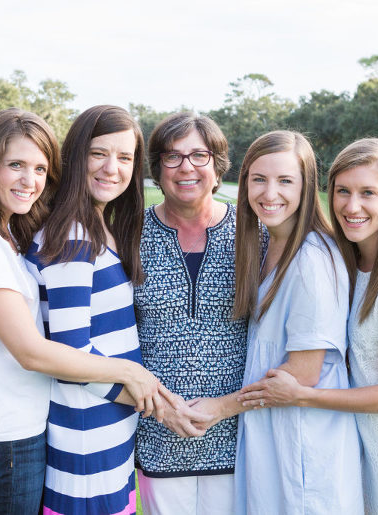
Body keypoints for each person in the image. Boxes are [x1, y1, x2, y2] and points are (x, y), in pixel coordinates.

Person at [0, 108, 164, 514]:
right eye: (15, 165)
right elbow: (34, 351)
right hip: (4, 433)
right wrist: (134, 377)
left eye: (39, 168)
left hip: (20, 427)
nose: (30, 180)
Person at [239, 138, 378, 514]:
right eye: (343, 191)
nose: (351, 205)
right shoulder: (355, 262)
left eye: (368, 193)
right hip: (367, 451)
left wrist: (302, 395)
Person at [24, 105, 203, 515]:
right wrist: (162, 407)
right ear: (75, 157)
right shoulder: (73, 236)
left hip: (110, 432)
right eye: (98, 153)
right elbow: (71, 357)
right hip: (86, 439)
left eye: (124, 157)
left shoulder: (100, 227)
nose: (112, 168)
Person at [223, 130, 362, 514]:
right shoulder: (269, 246)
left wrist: (219, 408)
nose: (270, 194)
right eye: (259, 179)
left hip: (304, 440)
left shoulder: (313, 259)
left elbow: (303, 371)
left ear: (306, 187)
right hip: (274, 434)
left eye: (285, 181)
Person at [133, 112, 246, 515]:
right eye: (172, 157)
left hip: (238, 433)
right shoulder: (128, 235)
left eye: (200, 155)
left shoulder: (255, 233)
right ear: (157, 171)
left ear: (218, 169)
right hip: (158, 431)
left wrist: (226, 407)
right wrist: (163, 408)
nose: (186, 168)